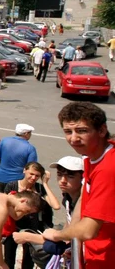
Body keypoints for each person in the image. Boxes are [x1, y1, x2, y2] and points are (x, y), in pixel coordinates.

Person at [42, 102, 115, 269]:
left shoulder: (108, 168)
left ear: (102, 130)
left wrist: (58, 235)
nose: (73, 139)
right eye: (68, 131)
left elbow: (89, 230)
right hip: (93, 254)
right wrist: (73, 239)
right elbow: (84, 195)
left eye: (82, 131)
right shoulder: (91, 154)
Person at [12, 157, 84, 269]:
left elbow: (73, 234)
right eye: (60, 174)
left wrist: (29, 237)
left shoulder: (85, 203)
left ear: (83, 178)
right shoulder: (68, 198)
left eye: (70, 176)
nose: (63, 180)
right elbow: (68, 227)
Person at [1, 162, 61, 269]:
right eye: (31, 174)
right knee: (9, 259)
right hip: (13, 227)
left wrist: (45, 184)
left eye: (37, 176)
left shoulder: (39, 188)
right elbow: (6, 208)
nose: (33, 178)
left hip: (32, 228)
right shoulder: (12, 185)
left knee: (29, 261)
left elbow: (56, 206)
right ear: (24, 170)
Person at [0, 124, 38, 192]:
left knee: (2, 198)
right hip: (17, 181)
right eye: (30, 133)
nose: (30, 135)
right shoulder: (30, 148)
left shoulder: (4, 141)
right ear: (26, 133)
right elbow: (31, 167)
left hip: (2, 178)